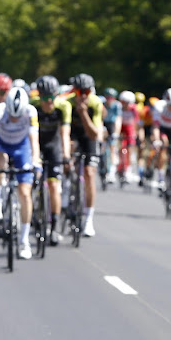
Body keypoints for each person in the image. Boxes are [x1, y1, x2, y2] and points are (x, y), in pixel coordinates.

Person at [0, 86, 41, 260]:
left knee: (25, 193)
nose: (14, 119)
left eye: (17, 116)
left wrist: (36, 162)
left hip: (21, 147)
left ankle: (24, 240)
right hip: (2, 144)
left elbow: (34, 141)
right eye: (12, 115)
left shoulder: (31, 112)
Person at [32, 75, 71, 246]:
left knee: (54, 185)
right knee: (32, 181)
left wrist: (66, 156)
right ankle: (34, 210)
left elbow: (65, 134)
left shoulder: (63, 106)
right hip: (36, 145)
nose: (49, 102)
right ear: (39, 96)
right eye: (45, 98)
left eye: (52, 97)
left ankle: (54, 227)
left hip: (54, 146)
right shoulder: (32, 106)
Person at [66, 73, 103, 237]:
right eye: (79, 92)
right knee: (67, 158)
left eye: (86, 92)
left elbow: (94, 134)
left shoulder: (95, 103)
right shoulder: (66, 102)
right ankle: (67, 188)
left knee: (89, 173)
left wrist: (83, 113)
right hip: (73, 135)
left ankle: (88, 219)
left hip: (89, 136)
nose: (83, 96)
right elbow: (62, 131)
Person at [102, 87, 122, 183]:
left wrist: (116, 133)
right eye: (108, 97)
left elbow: (118, 120)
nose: (109, 100)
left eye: (111, 98)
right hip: (103, 123)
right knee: (101, 144)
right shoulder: (101, 103)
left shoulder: (117, 105)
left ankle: (112, 173)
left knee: (112, 147)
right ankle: (101, 163)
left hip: (112, 125)